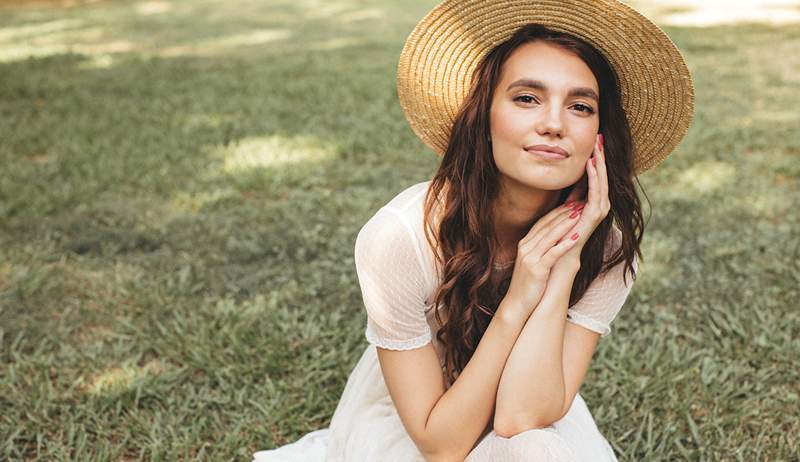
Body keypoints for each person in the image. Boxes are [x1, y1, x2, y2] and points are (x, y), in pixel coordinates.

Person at [253, 0, 694, 460]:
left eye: (581, 106)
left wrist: (564, 265)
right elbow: (441, 445)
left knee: (538, 448)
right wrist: (519, 297)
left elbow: (522, 417)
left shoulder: (608, 247)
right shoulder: (401, 238)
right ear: (483, 117)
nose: (553, 124)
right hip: (421, 421)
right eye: (527, 98)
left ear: (599, 138)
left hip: (528, 395)